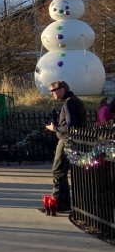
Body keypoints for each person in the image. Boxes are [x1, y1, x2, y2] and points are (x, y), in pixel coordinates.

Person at [43, 80, 87, 213]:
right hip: (73, 140)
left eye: (53, 90)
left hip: (66, 140)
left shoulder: (69, 103)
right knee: (61, 172)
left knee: (58, 171)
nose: (52, 93)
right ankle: (64, 203)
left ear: (62, 89)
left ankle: (58, 203)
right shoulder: (74, 101)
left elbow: (71, 126)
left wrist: (54, 128)